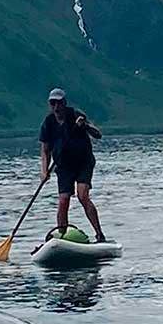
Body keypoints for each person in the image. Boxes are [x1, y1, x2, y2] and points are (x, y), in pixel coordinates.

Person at [38, 88, 107, 243]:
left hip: (83, 162)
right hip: (63, 166)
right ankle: (62, 235)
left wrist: (85, 126)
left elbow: (98, 134)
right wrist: (44, 171)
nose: (56, 107)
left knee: (83, 195)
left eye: (59, 103)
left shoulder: (76, 115)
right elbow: (45, 150)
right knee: (63, 200)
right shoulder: (48, 123)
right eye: (53, 103)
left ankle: (99, 234)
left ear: (64, 103)